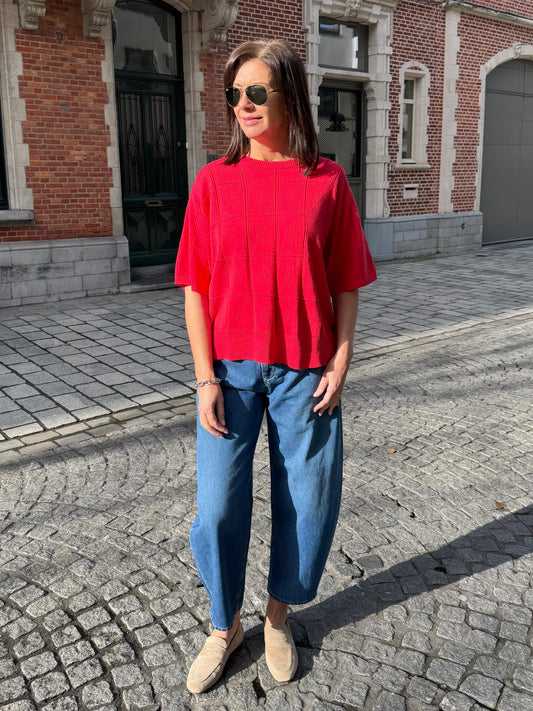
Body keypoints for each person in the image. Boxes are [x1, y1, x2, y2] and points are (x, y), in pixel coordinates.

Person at [175, 38, 377, 694]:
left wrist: (341, 359)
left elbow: (346, 280)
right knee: (216, 509)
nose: (244, 104)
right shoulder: (213, 182)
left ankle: (277, 616)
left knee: (309, 502)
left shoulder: (326, 182)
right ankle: (223, 624)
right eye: (235, 93)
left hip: (305, 373)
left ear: (289, 94)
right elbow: (195, 287)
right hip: (229, 374)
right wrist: (204, 378)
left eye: (257, 91)